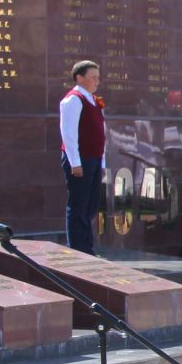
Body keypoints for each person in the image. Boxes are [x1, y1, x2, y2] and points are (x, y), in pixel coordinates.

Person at [57, 60, 105, 254]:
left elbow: (101, 133)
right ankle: (77, 247)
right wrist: (75, 162)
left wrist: (102, 161)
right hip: (80, 159)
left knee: (91, 204)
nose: (96, 81)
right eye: (93, 77)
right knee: (78, 203)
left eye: (98, 77)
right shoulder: (74, 99)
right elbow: (68, 133)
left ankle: (87, 246)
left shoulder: (93, 100)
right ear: (79, 77)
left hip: (93, 158)